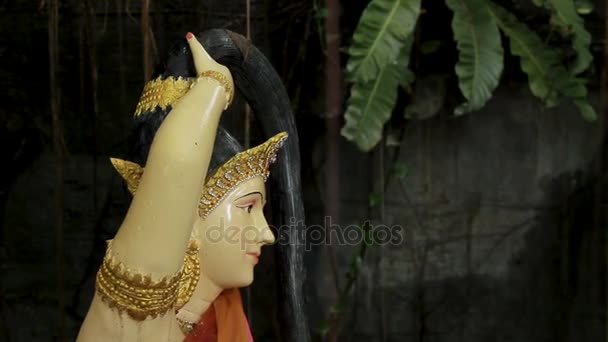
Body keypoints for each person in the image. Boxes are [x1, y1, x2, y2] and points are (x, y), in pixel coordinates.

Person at [76, 30, 308, 342]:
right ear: (187, 215)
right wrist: (214, 86)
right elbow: (175, 169)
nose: (266, 234)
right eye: (247, 207)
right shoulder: (133, 313)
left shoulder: (220, 317)